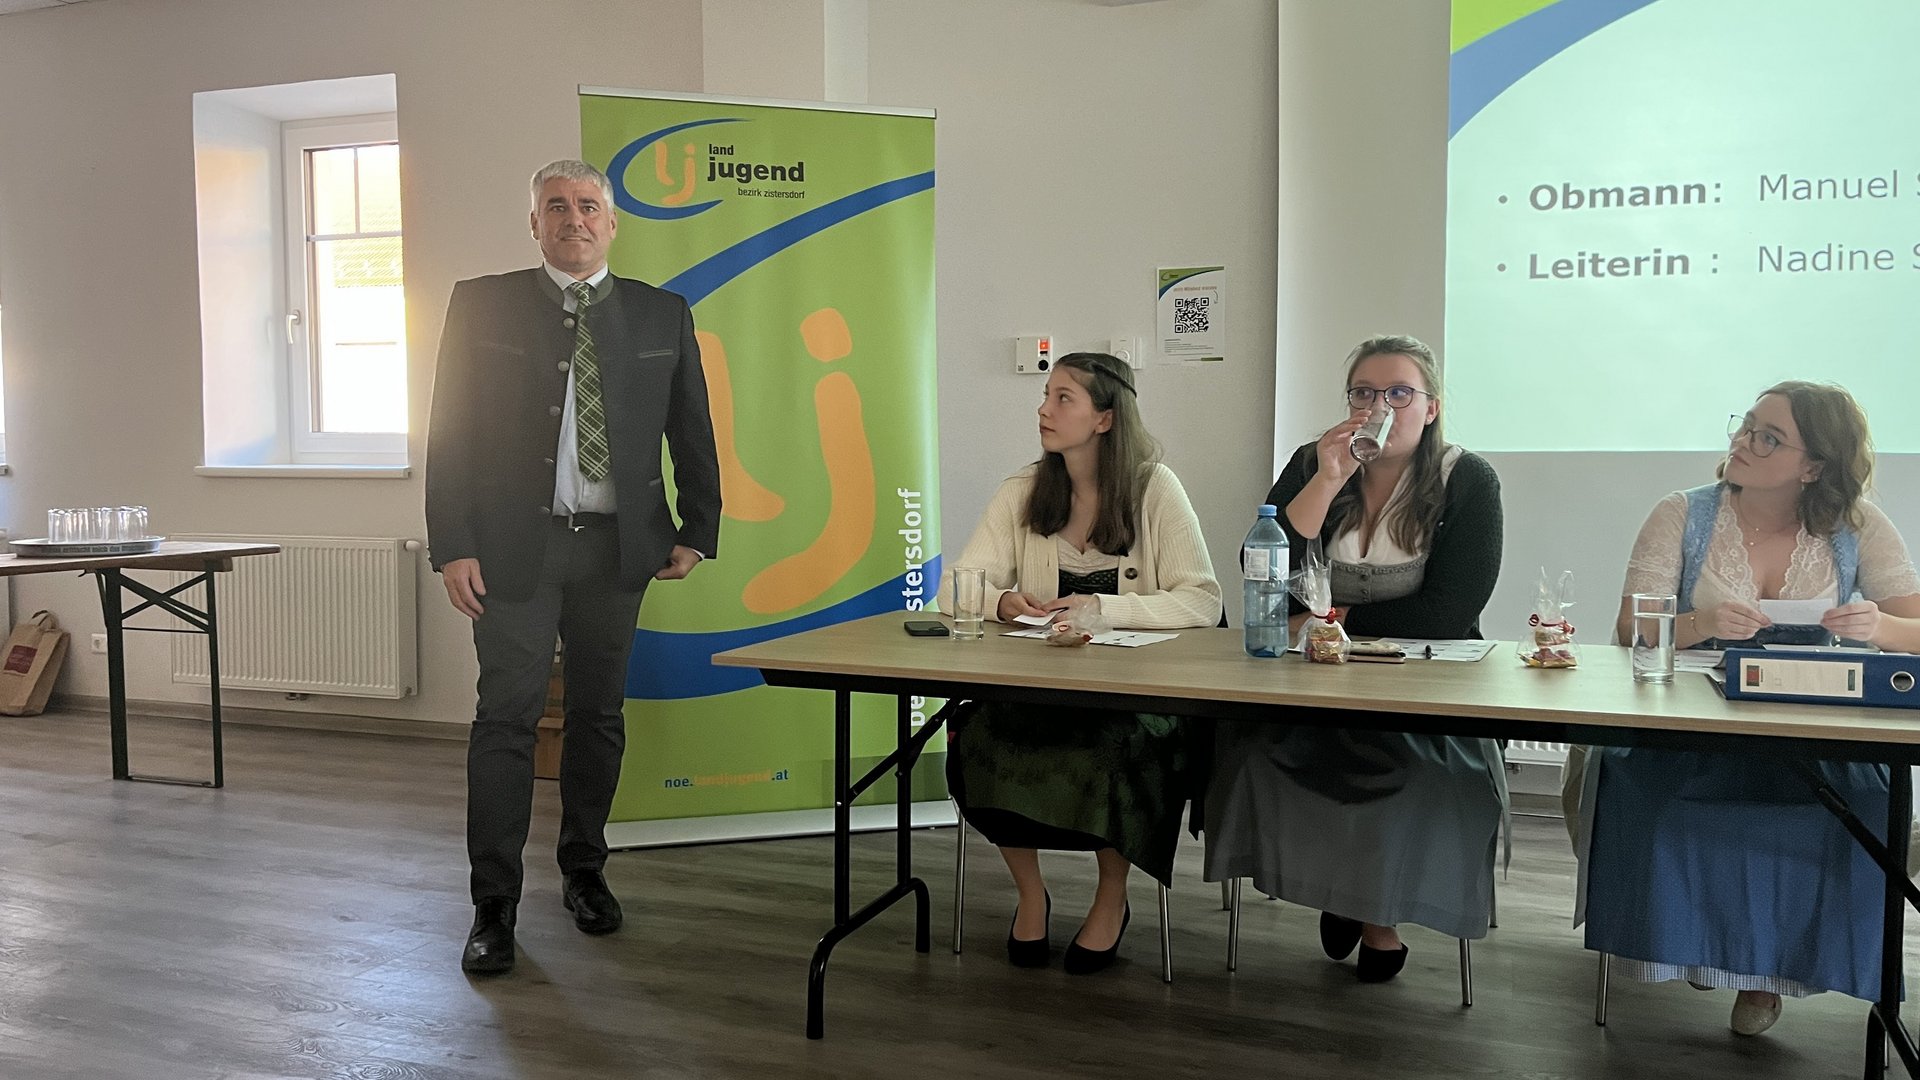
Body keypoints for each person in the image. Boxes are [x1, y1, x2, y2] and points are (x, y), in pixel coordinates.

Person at [426, 159, 722, 975]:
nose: (574, 218)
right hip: (511, 548)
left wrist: (699, 526)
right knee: (506, 718)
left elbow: (691, 426)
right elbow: (448, 429)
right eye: (556, 206)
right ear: (535, 224)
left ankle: (585, 872)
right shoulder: (481, 304)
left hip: (617, 550)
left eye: (589, 205)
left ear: (612, 223)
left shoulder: (661, 312)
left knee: (597, 716)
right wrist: (452, 543)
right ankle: (493, 904)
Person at [1570, 381, 1920, 1034]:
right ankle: (1706, 950)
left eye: (1768, 437)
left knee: (1858, 807)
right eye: (1746, 425)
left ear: (1813, 467)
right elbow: (1629, 630)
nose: (1742, 441)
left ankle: (1764, 977)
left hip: (1813, 724)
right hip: (1692, 722)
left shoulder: (1859, 526)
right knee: (1662, 798)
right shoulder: (1682, 513)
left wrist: (1878, 626)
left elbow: (1916, 632)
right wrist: (1701, 623)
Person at [1203, 334, 1506, 983]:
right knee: (1263, 753)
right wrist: (1327, 479)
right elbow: (1261, 570)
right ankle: (1341, 891)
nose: (1379, 407)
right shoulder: (1315, 460)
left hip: (1423, 683)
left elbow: (1447, 612)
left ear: (1431, 407)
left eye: (1399, 393)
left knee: (1403, 772)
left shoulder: (1467, 479)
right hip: (1316, 678)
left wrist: (1331, 620)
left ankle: (1373, 914)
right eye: (1364, 393)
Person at [937, 351, 1221, 975]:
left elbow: (1203, 599)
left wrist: (1105, 609)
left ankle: (1111, 898)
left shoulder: (1155, 489)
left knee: (1118, 749)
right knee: (983, 737)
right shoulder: (1023, 490)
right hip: (1039, 689)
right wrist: (1000, 601)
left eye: (1063, 398)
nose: (1043, 409)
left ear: (1105, 418)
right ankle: (1030, 894)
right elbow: (953, 586)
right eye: (1046, 395)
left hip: (1132, 698)